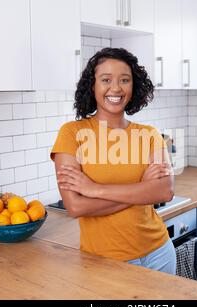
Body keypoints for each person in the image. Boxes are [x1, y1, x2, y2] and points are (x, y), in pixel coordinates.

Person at [50, 47, 176, 275]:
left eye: (125, 80)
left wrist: (94, 189)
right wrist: (142, 191)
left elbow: (165, 192)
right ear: (92, 85)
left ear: (133, 86)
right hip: (105, 261)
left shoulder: (149, 134)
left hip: (159, 251)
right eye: (106, 79)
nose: (116, 88)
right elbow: (76, 206)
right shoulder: (71, 134)